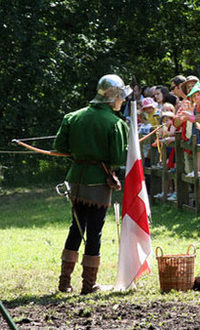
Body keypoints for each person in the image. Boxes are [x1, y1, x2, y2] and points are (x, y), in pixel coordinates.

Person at [54, 74, 130, 294]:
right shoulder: (115, 123)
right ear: (113, 97)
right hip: (98, 181)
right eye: (121, 97)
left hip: (75, 179)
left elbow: (60, 148)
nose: (122, 101)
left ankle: (64, 282)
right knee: (94, 231)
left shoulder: (73, 117)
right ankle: (88, 285)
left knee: (76, 228)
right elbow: (117, 159)